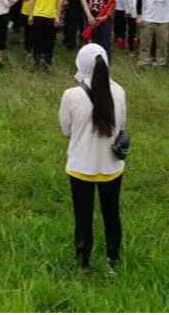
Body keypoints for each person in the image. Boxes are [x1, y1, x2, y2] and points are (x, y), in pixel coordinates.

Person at [58, 43, 126, 274]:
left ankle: (83, 264)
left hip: (80, 167)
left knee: (83, 216)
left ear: (80, 63)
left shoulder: (71, 95)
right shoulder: (119, 91)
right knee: (112, 214)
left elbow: (66, 130)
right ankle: (113, 262)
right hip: (112, 166)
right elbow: (122, 126)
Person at [18, 0, 67, 69]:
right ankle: (37, 60)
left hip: (51, 14)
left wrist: (57, 16)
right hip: (37, 14)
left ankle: (47, 61)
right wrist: (30, 14)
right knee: (36, 39)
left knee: (50, 40)